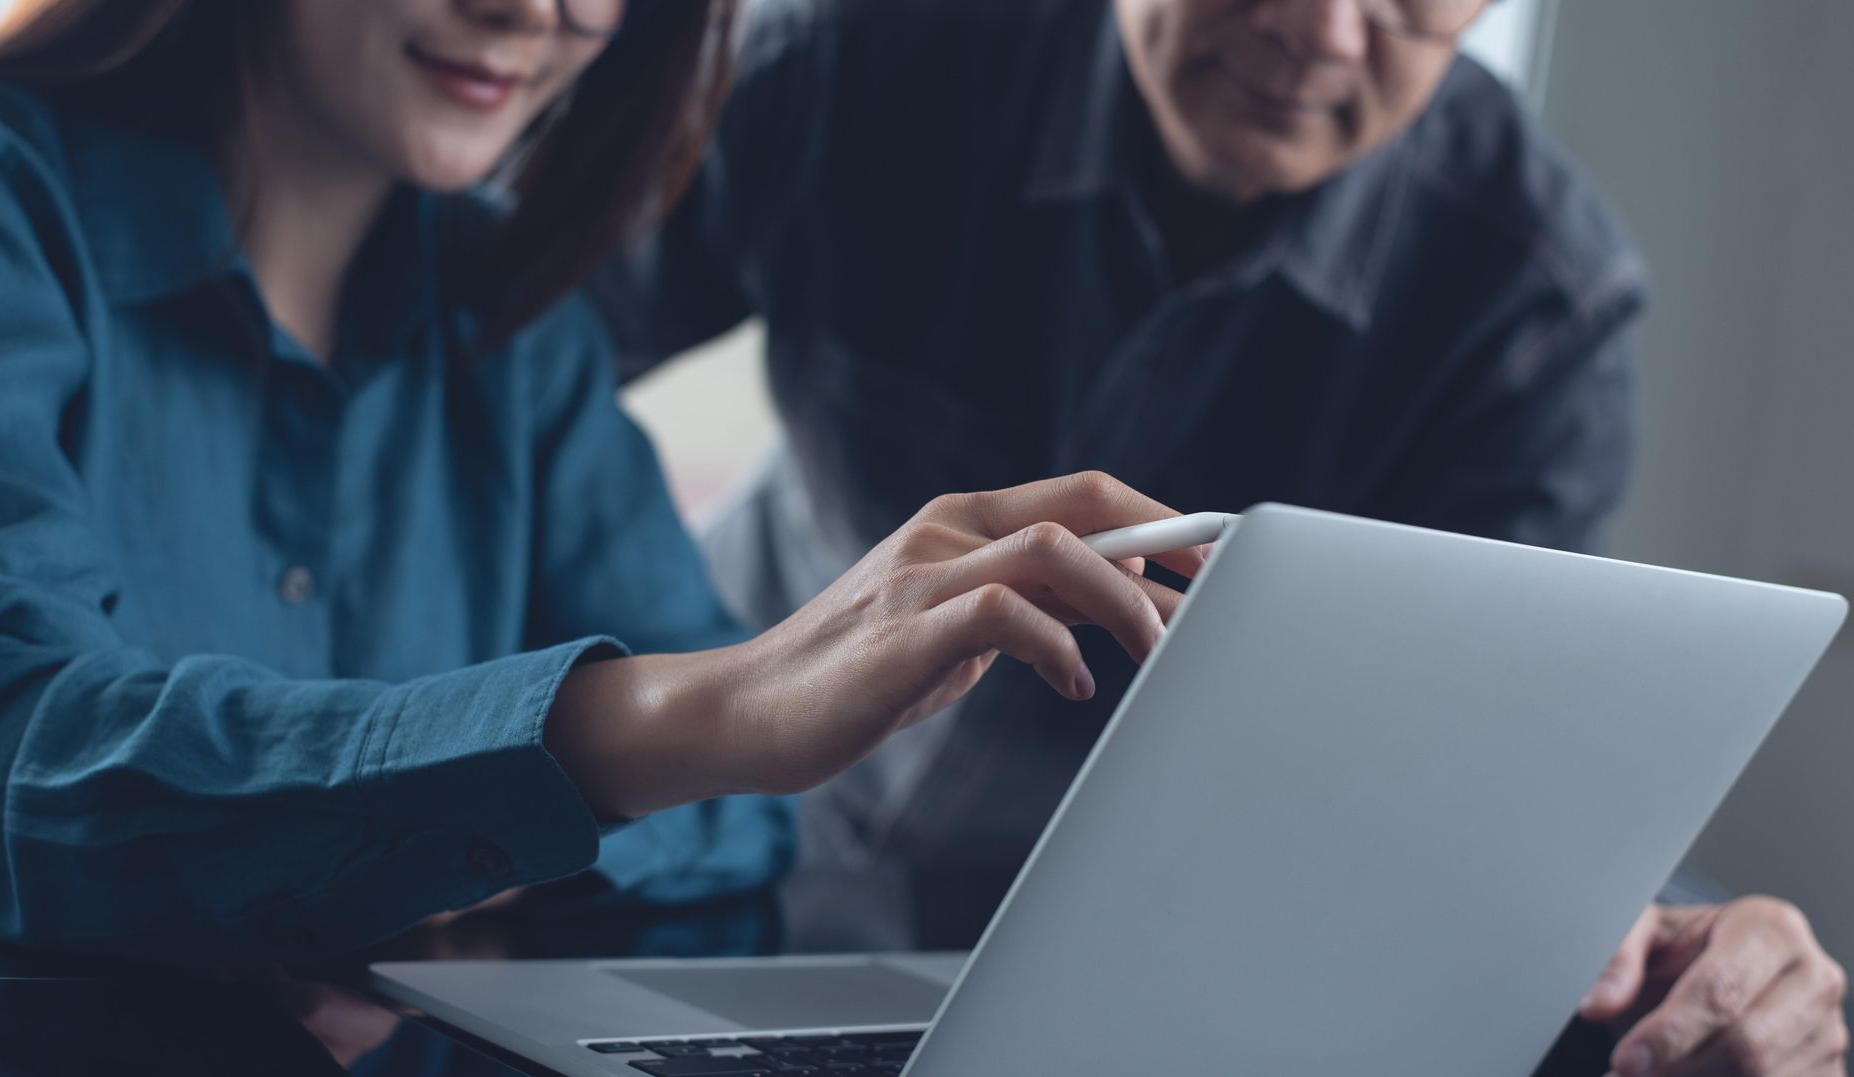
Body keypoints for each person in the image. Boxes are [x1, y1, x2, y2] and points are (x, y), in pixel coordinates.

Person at [591, 0, 1850, 1073]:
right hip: (683, 879)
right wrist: (535, 735)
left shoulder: (1535, 306)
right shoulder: (844, 67)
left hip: (1108, 1000)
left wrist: (1672, 928)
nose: (1320, 32)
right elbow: (488, 369)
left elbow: (1501, 759)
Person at [0, 0, 1196, 965]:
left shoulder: (509, 307)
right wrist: (637, 743)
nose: (542, 11)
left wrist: (398, 841)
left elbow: (738, 822)